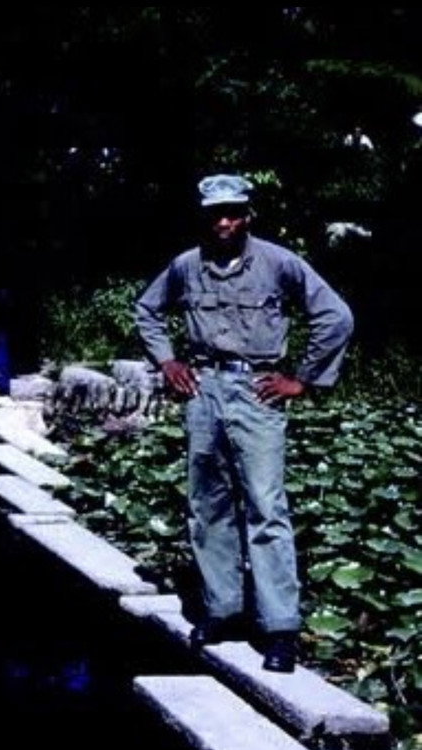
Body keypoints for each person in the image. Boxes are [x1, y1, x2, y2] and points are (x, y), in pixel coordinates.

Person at [135, 174, 354, 672]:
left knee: (265, 506)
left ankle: (280, 629)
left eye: (233, 212)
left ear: (248, 215)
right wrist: (167, 361)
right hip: (203, 392)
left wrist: (303, 379)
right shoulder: (186, 266)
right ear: (204, 217)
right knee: (207, 504)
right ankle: (223, 610)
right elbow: (147, 311)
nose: (224, 222)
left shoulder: (279, 263)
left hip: (257, 393)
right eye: (216, 213)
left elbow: (335, 316)